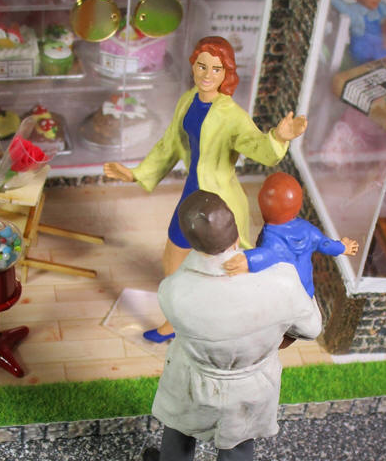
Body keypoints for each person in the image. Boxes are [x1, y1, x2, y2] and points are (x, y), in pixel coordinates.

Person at [143, 190, 322, 461]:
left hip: (195, 377)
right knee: (237, 451)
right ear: (237, 231)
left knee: (179, 429)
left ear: (189, 241)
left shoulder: (173, 290)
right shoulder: (282, 278)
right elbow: (312, 328)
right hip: (251, 382)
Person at [103, 36, 307, 341]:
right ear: (193, 66)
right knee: (173, 255)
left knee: (225, 265)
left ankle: (232, 320)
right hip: (192, 193)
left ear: (226, 74)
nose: (207, 74)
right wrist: (135, 174)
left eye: (216, 68)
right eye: (202, 66)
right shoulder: (188, 101)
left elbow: (258, 148)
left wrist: (278, 137)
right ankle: (176, 319)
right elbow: (169, 144)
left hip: (218, 201)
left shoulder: (231, 114)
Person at [222, 171, 359, 296]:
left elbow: (266, 254)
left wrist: (247, 260)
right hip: (306, 289)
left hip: (282, 292)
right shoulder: (308, 229)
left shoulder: (272, 239)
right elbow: (325, 243)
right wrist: (342, 247)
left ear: (261, 204)